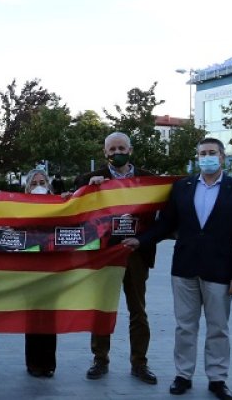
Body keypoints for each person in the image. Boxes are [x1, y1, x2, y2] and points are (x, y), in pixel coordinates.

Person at [122, 138, 232, 400]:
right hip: (185, 268)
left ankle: (217, 378)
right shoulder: (182, 187)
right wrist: (141, 240)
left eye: (212, 153)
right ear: (197, 157)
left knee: (218, 327)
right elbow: (166, 224)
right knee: (185, 326)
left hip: (221, 269)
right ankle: (183, 375)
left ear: (222, 157)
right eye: (202, 153)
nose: (207, 157)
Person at [73, 132, 158, 385]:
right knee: (102, 307)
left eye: (121, 148)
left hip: (136, 253)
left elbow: (160, 218)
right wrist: (89, 190)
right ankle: (100, 359)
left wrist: (142, 240)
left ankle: (139, 363)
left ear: (130, 150)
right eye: (112, 149)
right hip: (104, 253)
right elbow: (75, 210)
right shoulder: (90, 179)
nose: (116, 152)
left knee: (138, 310)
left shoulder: (149, 179)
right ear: (105, 152)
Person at [21, 168, 59, 378]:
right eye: (34, 183)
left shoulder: (60, 205)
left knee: (50, 316)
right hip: (30, 267)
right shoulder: (21, 207)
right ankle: (34, 363)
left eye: (42, 182)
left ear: (48, 185)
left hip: (52, 266)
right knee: (33, 315)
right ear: (28, 187)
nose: (38, 187)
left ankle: (48, 364)